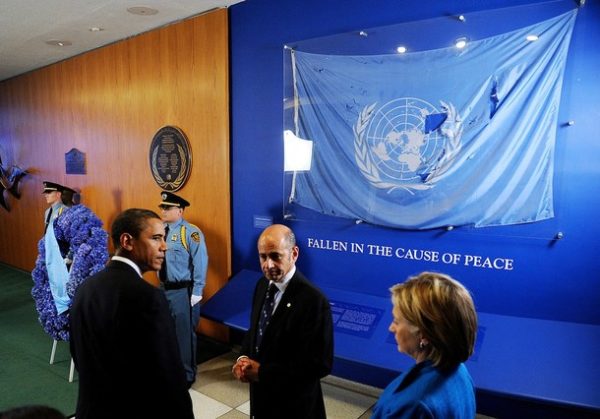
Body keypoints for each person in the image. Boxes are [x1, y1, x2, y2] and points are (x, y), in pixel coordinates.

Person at [69, 208, 194, 419]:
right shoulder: (149, 297)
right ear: (127, 241)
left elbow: (78, 354)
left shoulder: (85, 288)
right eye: (156, 238)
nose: (165, 246)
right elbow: (169, 376)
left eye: (164, 238)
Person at [232, 224, 333, 419]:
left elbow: (319, 364)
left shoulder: (313, 301)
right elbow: (255, 331)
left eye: (275, 256)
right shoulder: (262, 285)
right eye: (263, 257)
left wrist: (263, 373)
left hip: (295, 407)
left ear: (293, 254)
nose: (268, 265)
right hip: (262, 401)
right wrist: (242, 358)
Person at [371, 272, 478, 418]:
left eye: (396, 321)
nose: (391, 328)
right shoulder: (459, 371)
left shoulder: (414, 405)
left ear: (424, 335)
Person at [158, 191, 208, 387]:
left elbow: (200, 262)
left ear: (180, 210)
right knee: (166, 332)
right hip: (163, 288)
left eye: (167, 207)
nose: (163, 210)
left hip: (182, 291)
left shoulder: (190, 232)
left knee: (184, 335)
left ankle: (187, 375)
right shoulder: (160, 231)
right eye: (162, 207)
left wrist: (197, 291)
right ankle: (171, 368)